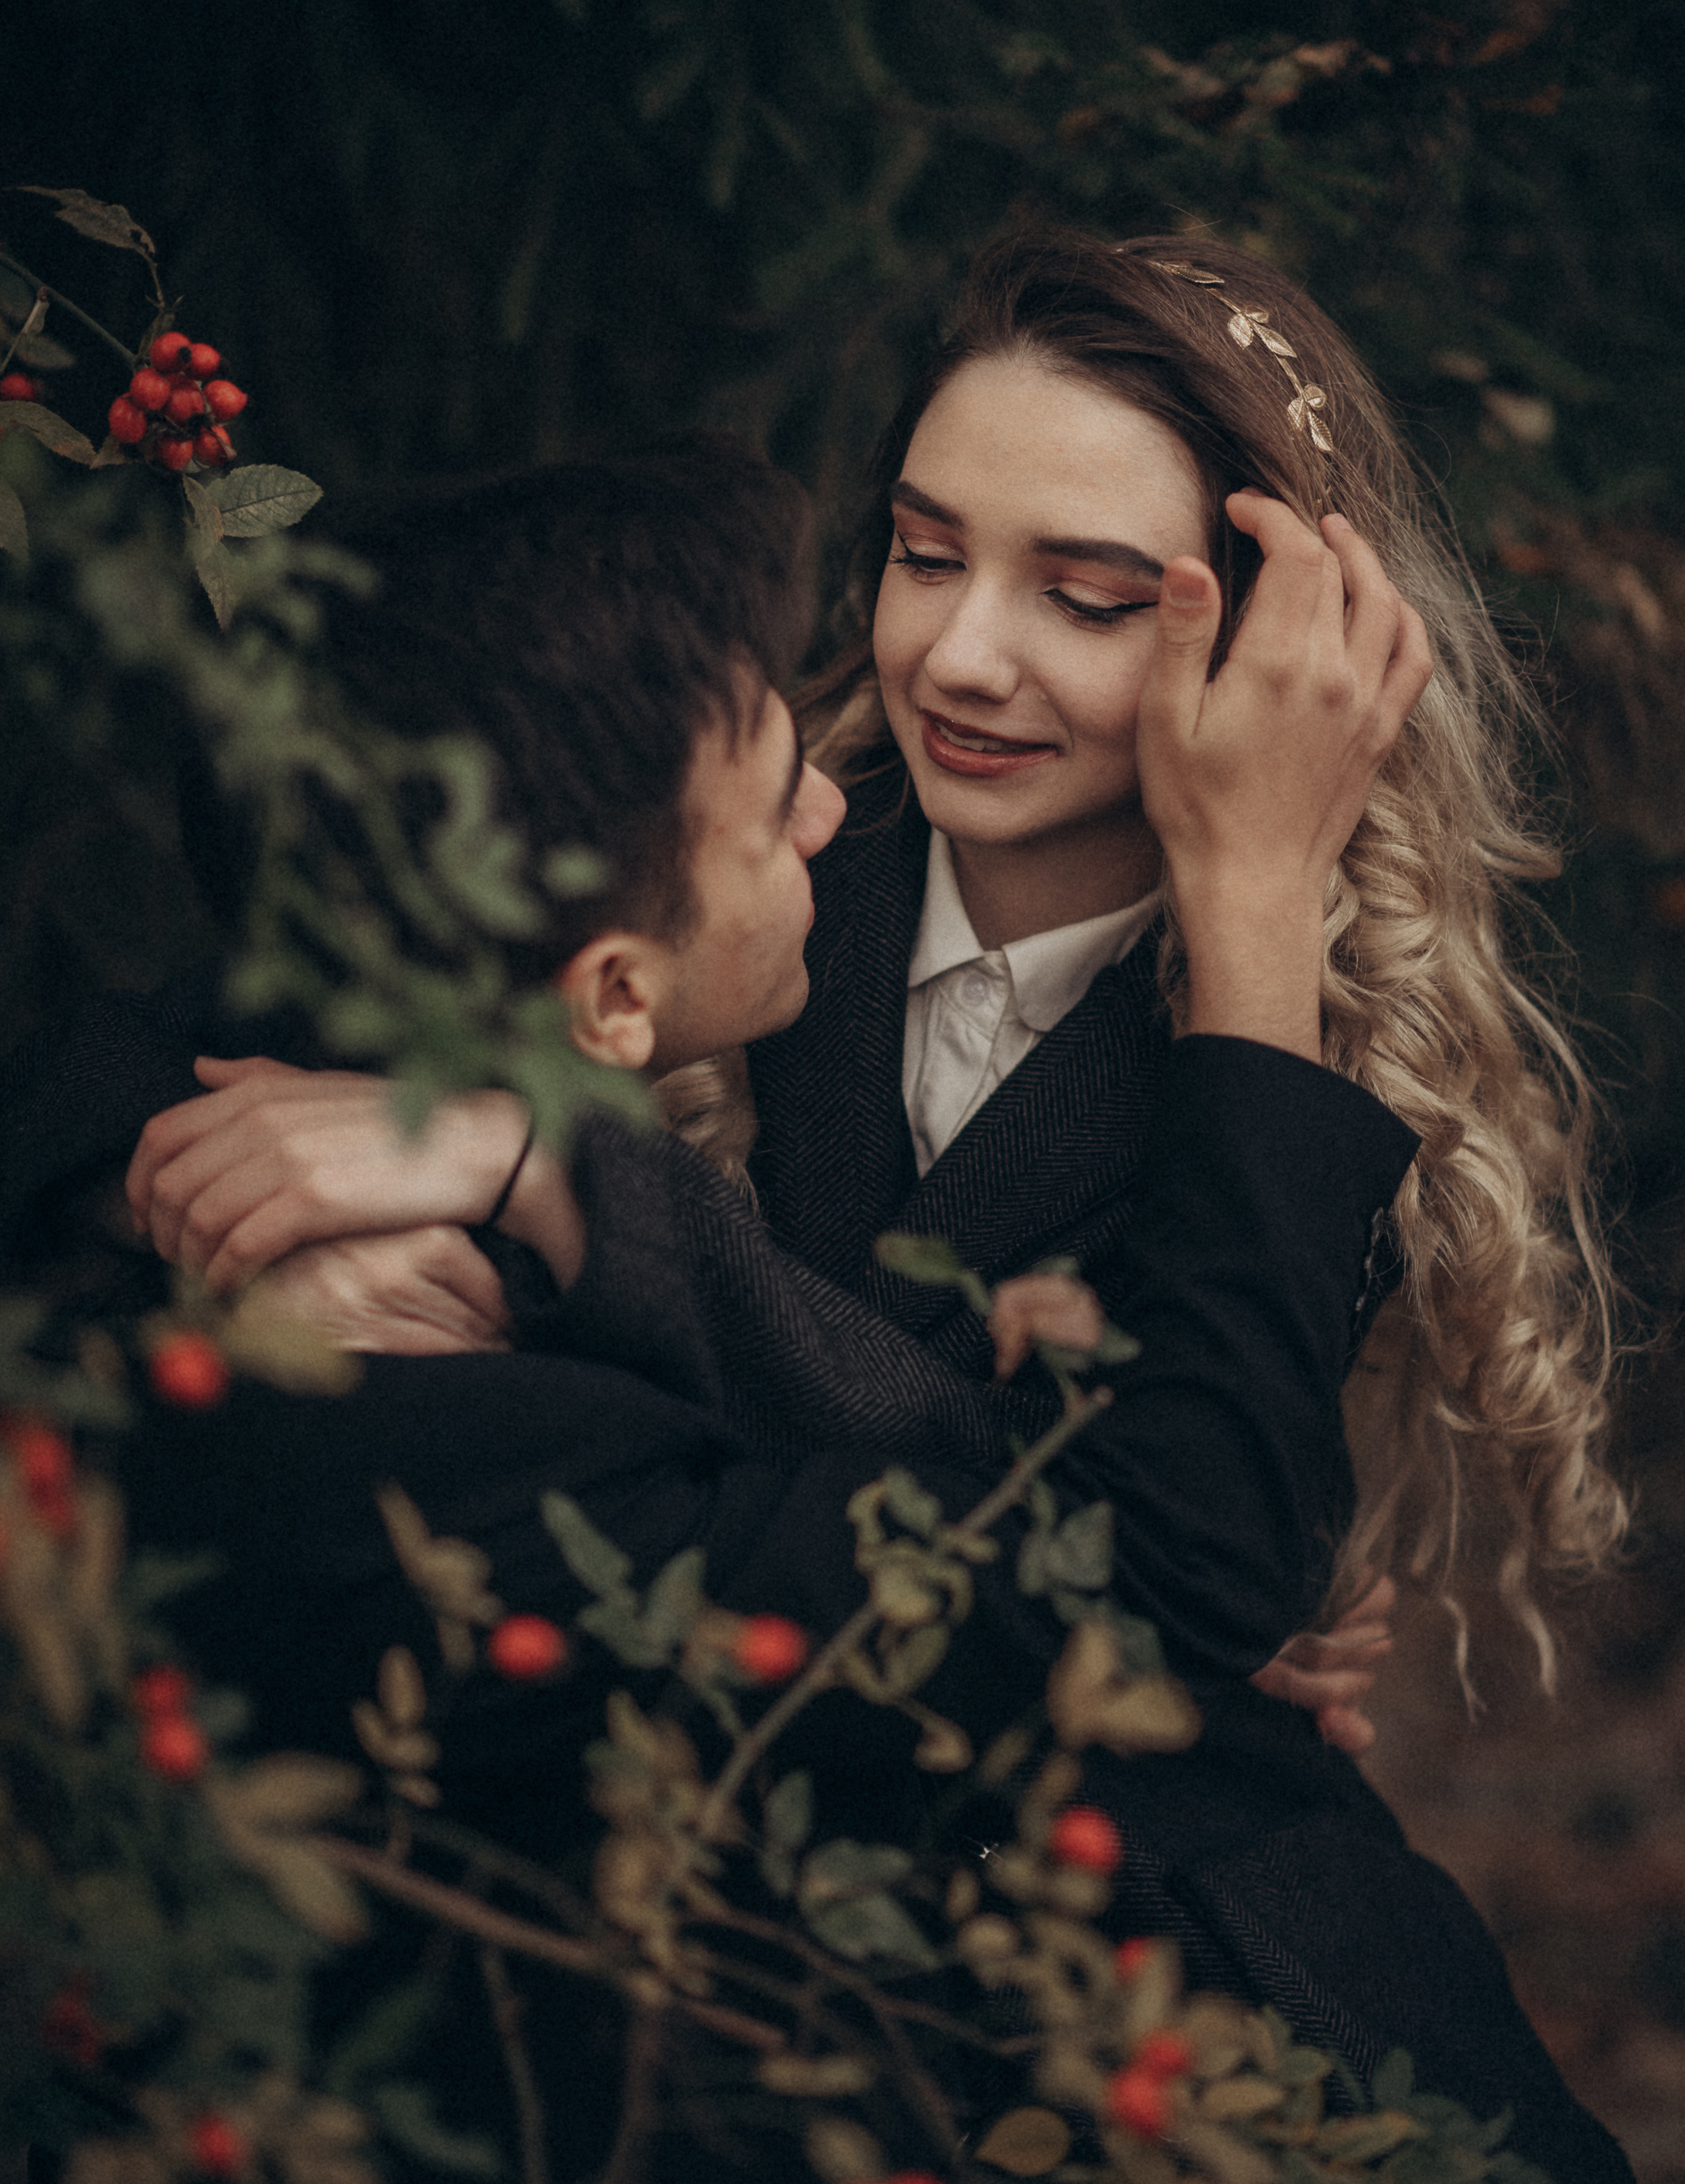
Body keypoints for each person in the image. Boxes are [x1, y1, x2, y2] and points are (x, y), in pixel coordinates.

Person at [71, 442, 1678, 2184]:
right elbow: (1158, 1562)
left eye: (1089, 593)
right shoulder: (434, 1459)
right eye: (921, 555)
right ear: (610, 991)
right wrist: (1254, 905)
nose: (840, 804)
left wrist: (517, 1155)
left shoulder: (416, 1011)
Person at [126, 228, 1619, 1717]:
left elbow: (1178, 1549)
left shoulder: (1292, 1036)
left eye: (1088, 599)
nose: (960, 656)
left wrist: (1252, 900)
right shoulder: (715, 858)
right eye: (925, 555)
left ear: (1281, 656)